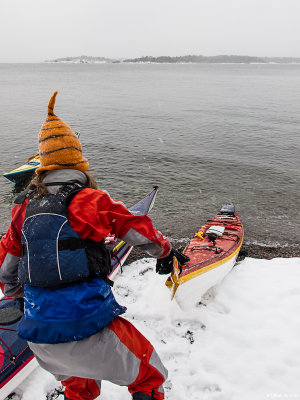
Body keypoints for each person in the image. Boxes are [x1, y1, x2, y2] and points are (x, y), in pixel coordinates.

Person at [0, 91, 188, 400]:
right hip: (86, 326)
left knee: (80, 386)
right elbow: (136, 227)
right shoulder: (92, 199)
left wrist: (18, 299)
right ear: (78, 162)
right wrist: (166, 252)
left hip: (39, 337)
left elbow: (8, 268)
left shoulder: (23, 207)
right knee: (149, 376)